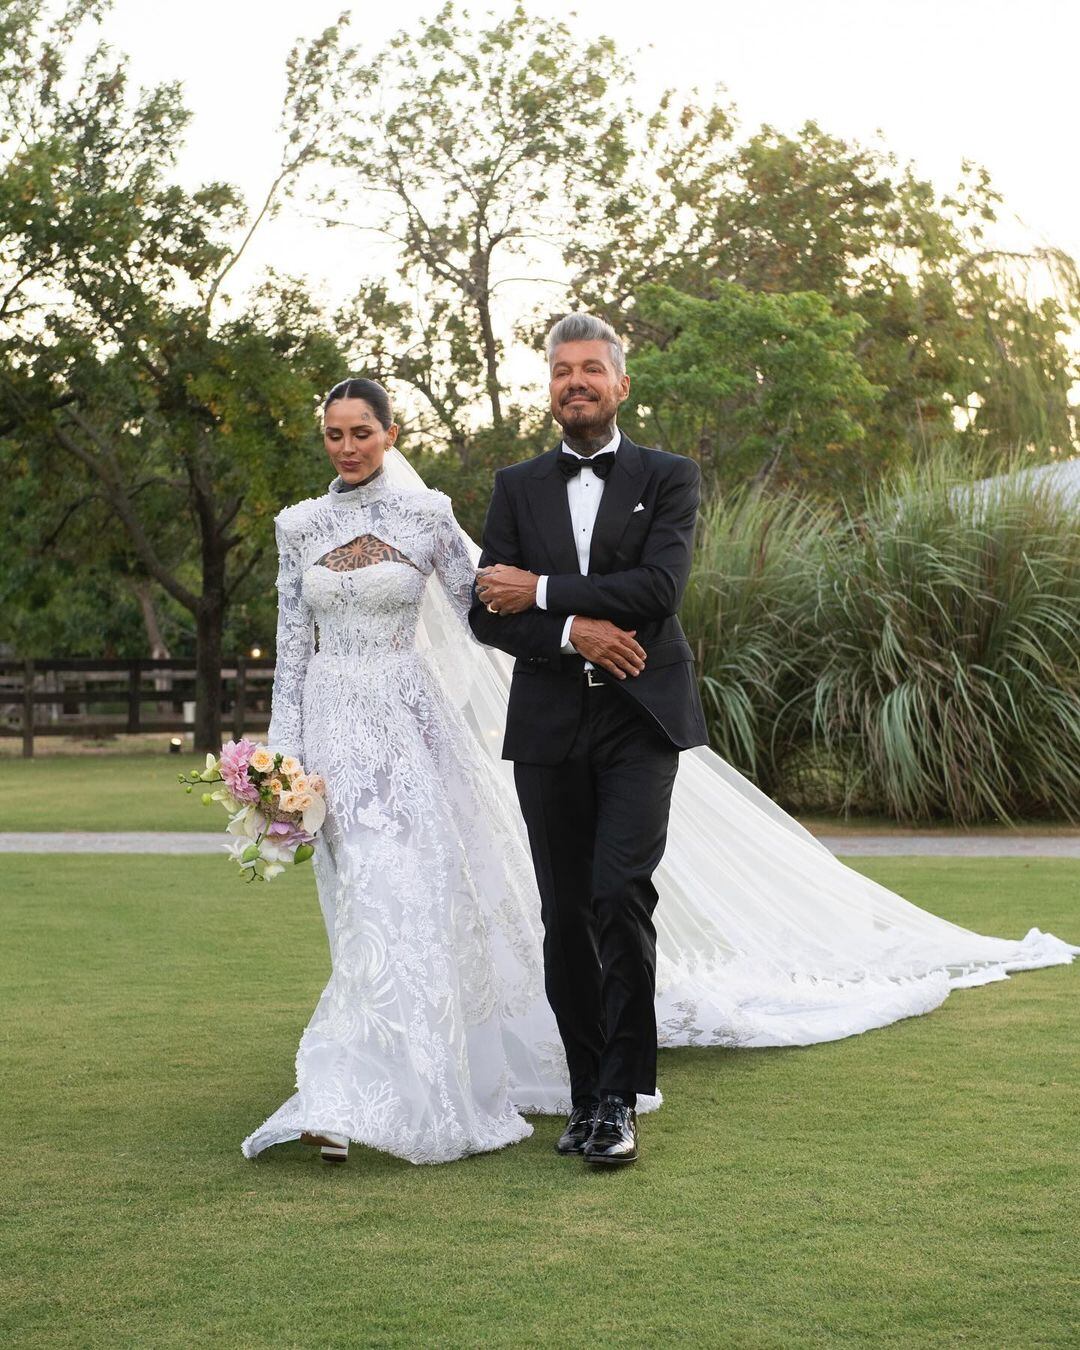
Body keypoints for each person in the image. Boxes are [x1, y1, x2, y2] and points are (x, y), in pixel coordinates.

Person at [244, 364, 1077, 1170]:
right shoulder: (355, 516)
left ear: (391, 435)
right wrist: (282, 766)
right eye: (333, 434)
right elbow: (368, 637)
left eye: (362, 432)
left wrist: (548, 602)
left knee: (587, 896)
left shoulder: (469, 508)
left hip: (527, 724)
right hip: (368, 738)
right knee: (444, 913)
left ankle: (595, 1096)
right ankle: (411, 1085)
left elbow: (607, 594)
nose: (347, 445)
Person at [470, 313, 708, 1166]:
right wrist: (571, 631)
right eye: (562, 370)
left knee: (618, 895)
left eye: (591, 370)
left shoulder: (669, 476)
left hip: (640, 719)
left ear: (620, 384)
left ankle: (620, 1096)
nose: (576, 381)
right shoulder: (516, 485)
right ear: (551, 386)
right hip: (547, 726)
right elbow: (481, 613)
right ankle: (583, 1093)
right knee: (564, 914)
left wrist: (540, 591)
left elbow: (658, 587)